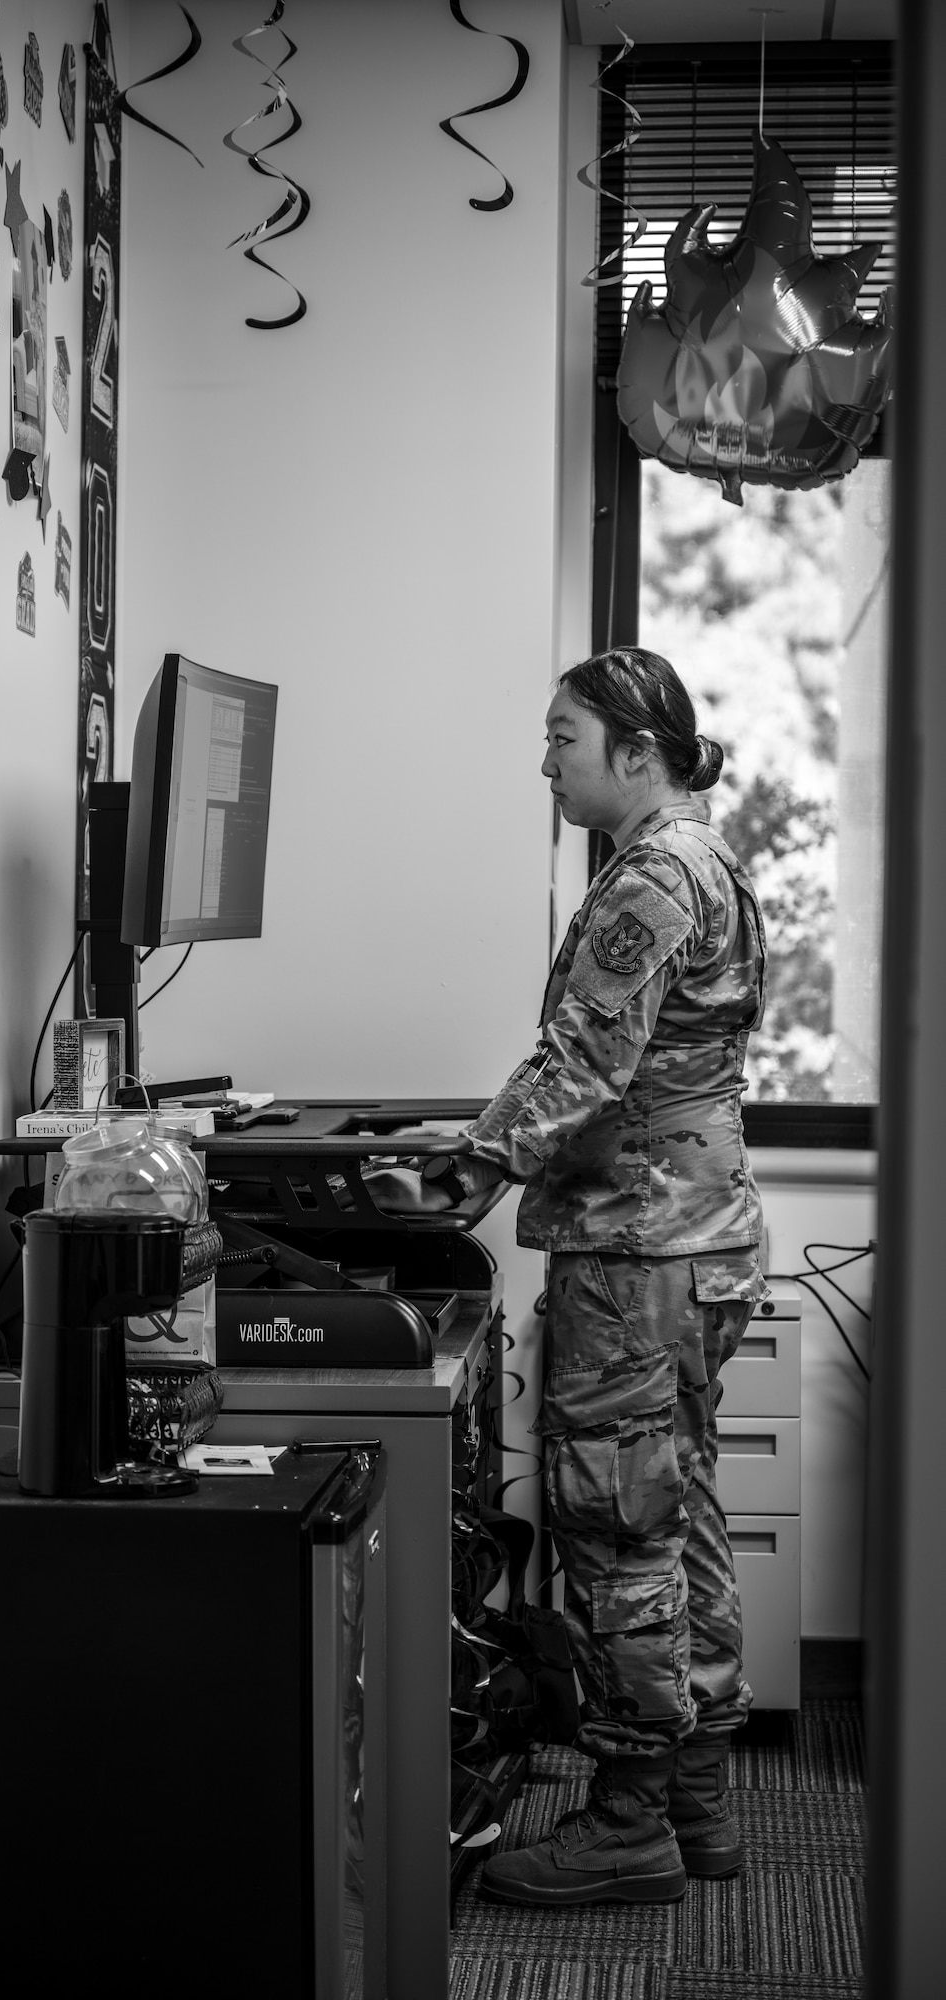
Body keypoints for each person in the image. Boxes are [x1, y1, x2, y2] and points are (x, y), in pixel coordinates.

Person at [454, 648, 769, 1907]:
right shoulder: (708, 857)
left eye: (562, 738)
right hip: (698, 1233)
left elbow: (582, 1061)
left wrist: (461, 1172)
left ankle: (631, 1814)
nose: (544, 762)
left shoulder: (651, 875)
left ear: (636, 751)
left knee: (617, 1523)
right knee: (675, 1505)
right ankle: (696, 1797)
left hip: (640, 1247)